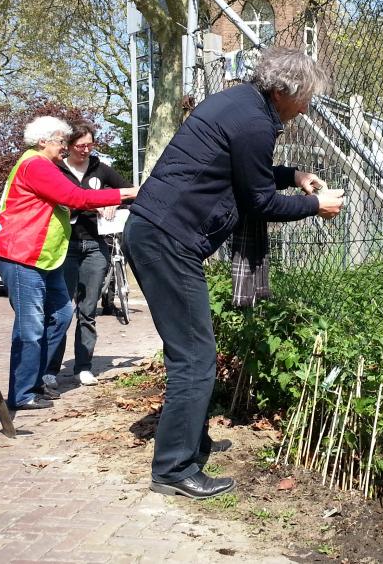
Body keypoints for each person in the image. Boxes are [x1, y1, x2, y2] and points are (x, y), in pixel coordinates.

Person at [125, 47, 345, 499]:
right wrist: (314, 205)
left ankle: (188, 445)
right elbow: (258, 201)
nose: (305, 109)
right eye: (305, 99)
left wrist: (293, 174)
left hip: (158, 232)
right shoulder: (255, 122)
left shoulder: (240, 102)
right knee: (194, 358)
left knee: (189, 352)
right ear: (283, 91)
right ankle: (173, 469)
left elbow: (247, 176)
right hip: (169, 240)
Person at [0, 116, 137, 411]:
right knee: (31, 326)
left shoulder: (48, 165)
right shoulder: (35, 164)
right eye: (60, 141)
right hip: (21, 252)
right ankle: (22, 393)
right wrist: (128, 193)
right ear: (44, 141)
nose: (63, 147)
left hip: (45, 255)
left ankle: (39, 378)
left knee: (60, 313)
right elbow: (75, 197)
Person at [43, 120, 131, 389]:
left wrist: (111, 201)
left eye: (90, 146)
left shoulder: (101, 170)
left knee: (88, 310)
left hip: (95, 245)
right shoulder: (55, 169)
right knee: (59, 311)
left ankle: (83, 366)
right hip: (64, 247)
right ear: (68, 146)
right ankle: (49, 369)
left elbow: (128, 193)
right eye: (80, 146)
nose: (85, 150)